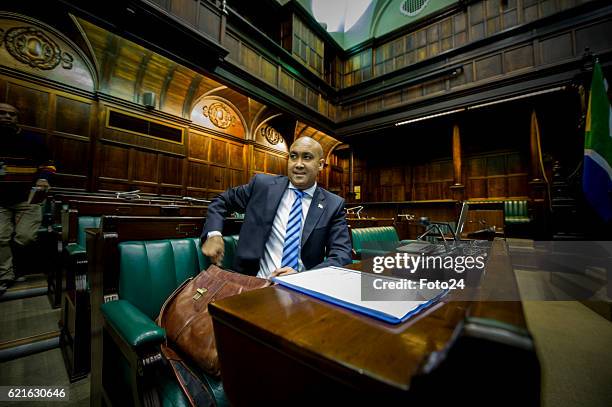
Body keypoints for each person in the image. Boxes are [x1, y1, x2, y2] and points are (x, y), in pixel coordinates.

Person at [201, 136, 352, 278]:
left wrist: (303, 277)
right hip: (252, 283)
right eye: (293, 156)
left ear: (320, 164)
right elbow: (221, 201)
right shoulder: (262, 185)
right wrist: (213, 234)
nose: (298, 164)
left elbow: (342, 255)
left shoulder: (333, 204)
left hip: (301, 290)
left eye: (307, 157)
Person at [0, 103, 55, 294]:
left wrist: (43, 178)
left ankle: (13, 266)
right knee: (0, 237)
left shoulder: (32, 140)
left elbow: (48, 165)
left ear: (17, 118)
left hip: (27, 198)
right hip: (1, 200)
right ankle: (5, 275)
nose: (7, 117)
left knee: (25, 237)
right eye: (2, 113)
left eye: (11, 114)